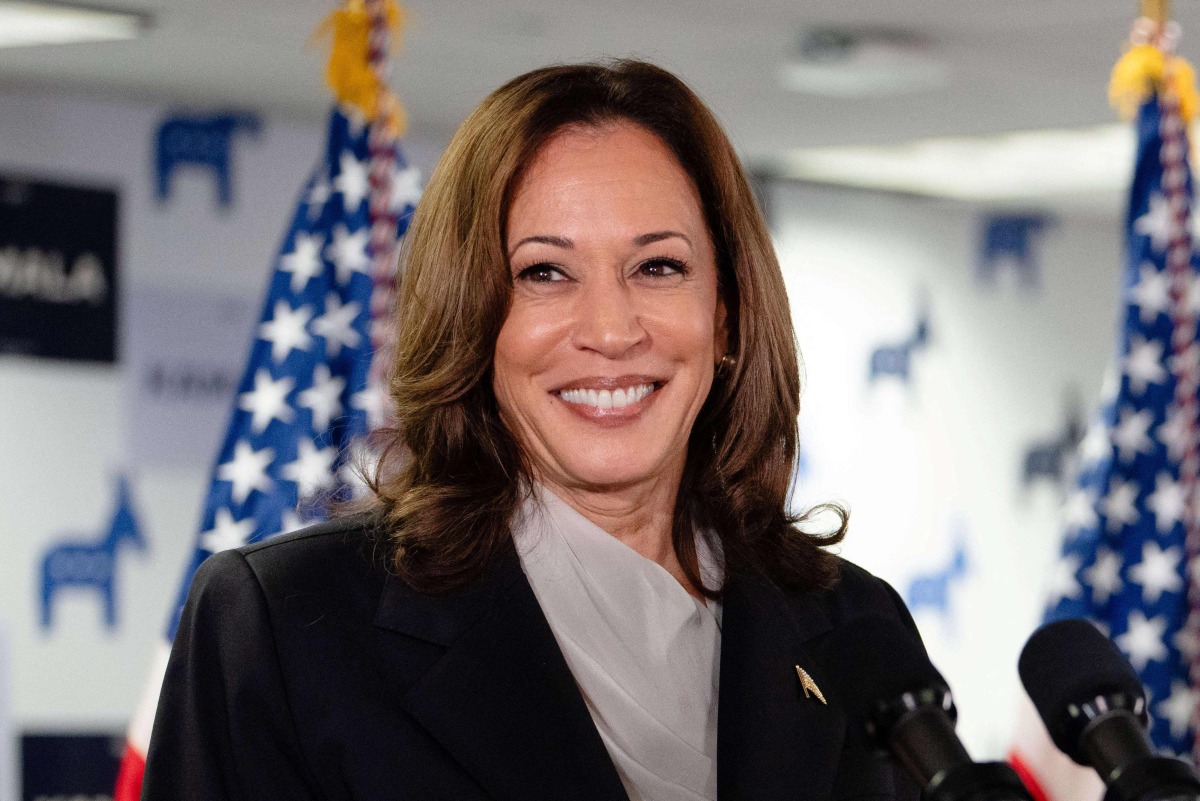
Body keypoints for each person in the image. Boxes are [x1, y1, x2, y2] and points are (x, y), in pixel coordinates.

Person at [142, 59, 926, 801]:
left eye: (658, 267)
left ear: (725, 316)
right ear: (471, 320)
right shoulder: (284, 624)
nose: (612, 330)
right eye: (544, 273)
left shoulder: (854, 625)